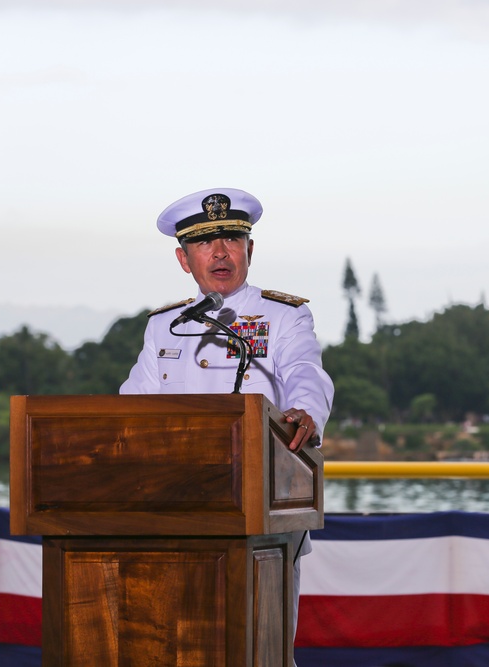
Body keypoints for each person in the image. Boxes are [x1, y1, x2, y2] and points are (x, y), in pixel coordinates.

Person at [120, 186, 334, 643]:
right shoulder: (165, 326)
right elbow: (129, 410)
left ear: (249, 251)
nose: (220, 252)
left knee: (260, 645)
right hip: (178, 509)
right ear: (184, 260)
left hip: (262, 509)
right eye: (203, 242)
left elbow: (306, 372)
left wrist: (307, 411)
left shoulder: (283, 316)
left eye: (232, 239)